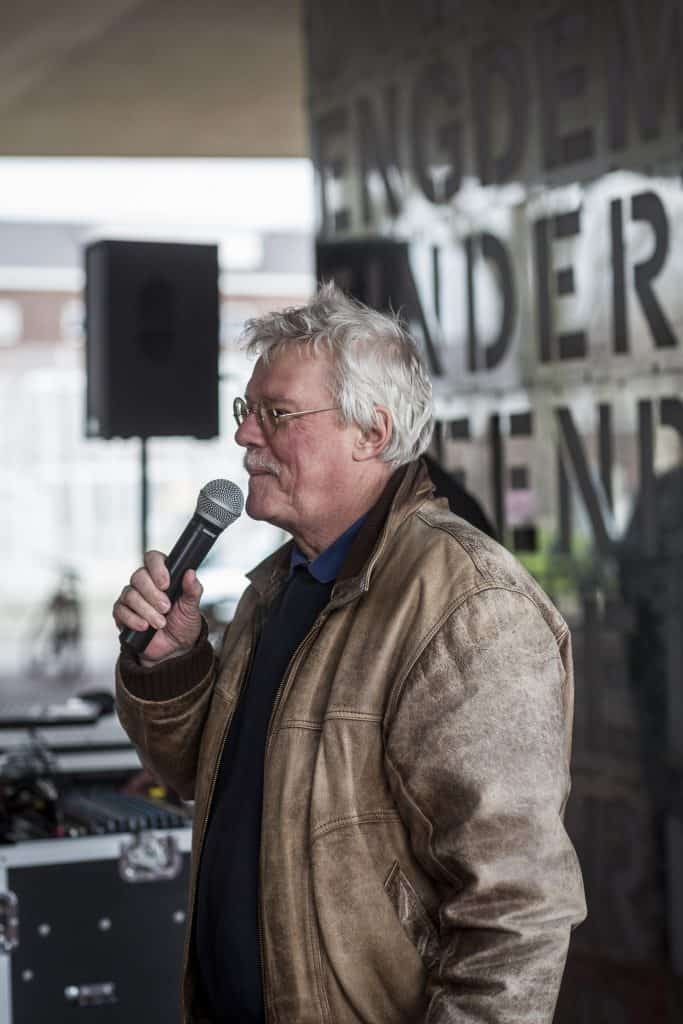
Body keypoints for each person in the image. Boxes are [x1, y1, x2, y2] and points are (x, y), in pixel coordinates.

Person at [113, 283, 586, 1024]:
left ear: (371, 432)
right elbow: (196, 776)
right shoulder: (277, 585)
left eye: (276, 414)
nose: (244, 436)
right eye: (247, 411)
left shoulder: (469, 606)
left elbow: (516, 911)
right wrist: (173, 662)